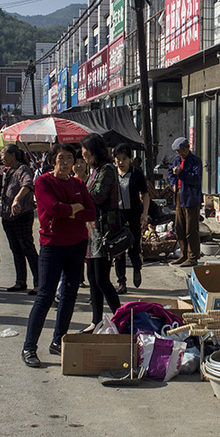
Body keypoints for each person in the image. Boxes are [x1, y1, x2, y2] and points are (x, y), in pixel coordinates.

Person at [21, 144, 96, 367]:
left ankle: (58, 341)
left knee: (69, 294)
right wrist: (75, 209)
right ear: (53, 161)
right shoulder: (43, 181)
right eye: (61, 158)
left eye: (69, 159)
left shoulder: (78, 183)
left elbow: (91, 212)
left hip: (77, 244)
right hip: (52, 246)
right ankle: (29, 347)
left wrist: (69, 210)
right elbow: (54, 209)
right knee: (45, 296)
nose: (65, 163)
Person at [80, 133, 122, 332]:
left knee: (102, 279)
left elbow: (97, 196)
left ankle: (120, 317)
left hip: (104, 230)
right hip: (92, 230)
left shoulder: (107, 169)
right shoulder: (95, 170)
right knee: (92, 278)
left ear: (93, 151)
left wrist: (80, 182)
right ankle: (95, 320)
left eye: (84, 150)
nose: (82, 154)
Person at [0, 144, 39, 294]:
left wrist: (17, 199)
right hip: (8, 217)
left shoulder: (23, 169)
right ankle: (20, 281)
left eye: (3, 154)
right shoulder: (10, 171)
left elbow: (28, 184)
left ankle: (38, 282)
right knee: (16, 249)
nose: (1, 157)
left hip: (22, 215)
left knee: (28, 248)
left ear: (12, 155)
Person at [112, 143, 150, 293]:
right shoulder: (112, 174)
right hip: (117, 216)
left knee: (134, 247)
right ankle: (121, 281)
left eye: (124, 159)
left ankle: (136, 268)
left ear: (129, 159)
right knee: (118, 250)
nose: (121, 162)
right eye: (118, 159)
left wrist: (144, 214)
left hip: (133, 214)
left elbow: (145, 194)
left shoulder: (137, 173)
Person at [168, 137, 203, 267]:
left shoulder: (195, 161)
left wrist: (181, 174)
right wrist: (173, 184)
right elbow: (170, 172)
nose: (179, 153)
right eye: (177, 151)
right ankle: (183, 254)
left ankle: (193, 256)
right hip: (179, 195)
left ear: (187, 148)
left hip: (191, 198)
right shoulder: (177, 160)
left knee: (191, 229)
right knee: (179, 227)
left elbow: (196, 179)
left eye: (181, 150)